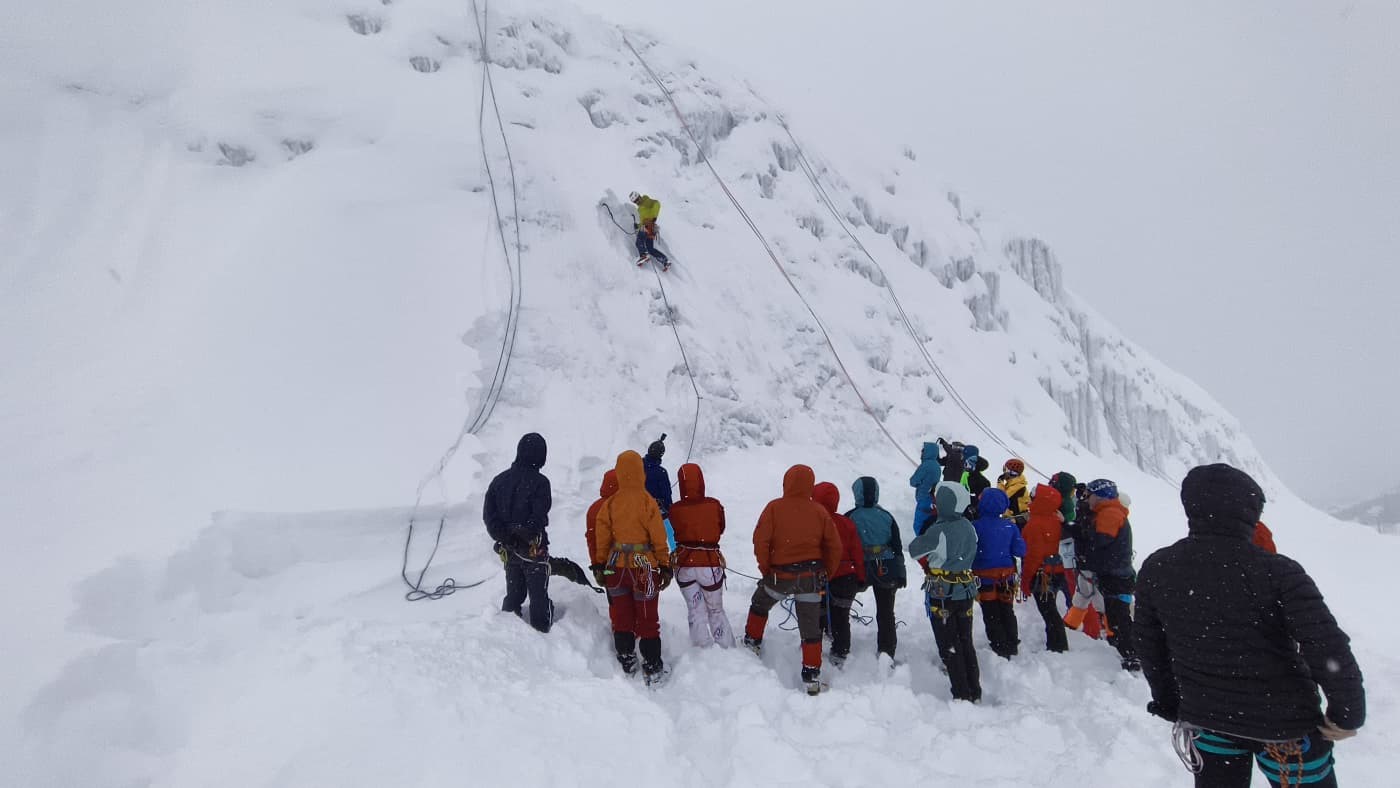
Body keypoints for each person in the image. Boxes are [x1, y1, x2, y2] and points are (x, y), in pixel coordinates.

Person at [1136, 463, 1365, 788]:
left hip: (1208, 719)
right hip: (1285, 726)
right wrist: (1347, 711)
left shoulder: (1158, 568)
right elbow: (1325, 644)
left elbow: (1149, 644)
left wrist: (1169, 701)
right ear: (1251, 511)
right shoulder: (1279, 572)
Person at [743, 464, 843, 695]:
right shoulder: (819, 511)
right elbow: (834, 546)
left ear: (786, 482)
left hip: (780, 576)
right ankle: (811, 675)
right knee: (811, 628)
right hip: (810, 577)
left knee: (760, 604)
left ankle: (752, 641)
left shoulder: (774, 508)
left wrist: (766, 569)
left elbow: (761, 541)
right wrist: (827, 572)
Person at [592, 450, 674, 684]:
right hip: (644, 567)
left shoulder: (610, 504)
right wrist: (664, 566)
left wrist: (600, 566)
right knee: (648, 617)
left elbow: (602, 536)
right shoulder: (648, 502)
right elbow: (659, 537)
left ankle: (626, 657)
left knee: (622, 615)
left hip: (616, 566)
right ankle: (652, 664)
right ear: (640, 471)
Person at [909, 481, 982, 702]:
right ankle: (974, 689)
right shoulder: (968, 526)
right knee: (965, 640)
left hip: (942, 594)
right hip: (965, 590)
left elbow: (914, 550)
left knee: (949, 644)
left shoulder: (939, 530)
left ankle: (961, 693)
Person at [483, 432, 554, 633]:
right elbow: (539, 514)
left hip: (510, 549)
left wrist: (505, 536)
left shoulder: (499, 481)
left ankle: (508, 635)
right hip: (533, 550)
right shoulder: (541, 482)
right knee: (538, 597)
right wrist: (526, 532)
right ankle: (543, 634)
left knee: (514, 595)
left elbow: (490, 515)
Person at [1065, 478, 1138, 670]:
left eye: (1089, 495)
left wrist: (1075, 530)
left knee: (1118, 617)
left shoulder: (1109, 515)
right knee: (1115, 615)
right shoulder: (1107, 512)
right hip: (1115, 573)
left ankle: (1131, 654)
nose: (1086, 499)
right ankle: (1127, 651)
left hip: (1115, 576)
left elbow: (1098, 543)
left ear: (1099, 496)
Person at [667, 462, 735, 648]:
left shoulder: (675, 509)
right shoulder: (714, 505)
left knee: (695, 609)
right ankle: (725, 646)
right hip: (709, 564)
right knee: (715, 609)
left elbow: (673, 531)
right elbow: (721, 528)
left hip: (684, 565)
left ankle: (702, 648)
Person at [845, 476, 906, 661]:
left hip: (859, 568)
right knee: (886, 612)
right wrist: (901, 572)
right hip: (885, 568)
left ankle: (840, 643)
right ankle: (886, 651)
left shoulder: (850, 516)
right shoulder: (886, 516)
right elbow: (897, 546)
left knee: (842, 607)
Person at [814, 482, 867, 667]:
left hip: (819, 576)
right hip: (846, 578)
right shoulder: (846, 523)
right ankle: (840, 651)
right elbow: (857, 552)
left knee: (817, 614)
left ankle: (813, 647)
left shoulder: (813, 522)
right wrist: (861, 577)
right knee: (841, 616)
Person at [970, 488, 1025, 659]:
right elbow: (1020, 550)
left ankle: (999, 645)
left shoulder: (975, 526)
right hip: (1007, 576)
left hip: (983, 577)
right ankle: (1012, 641)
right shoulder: (1010, 526)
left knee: (990, 612)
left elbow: (970, 552)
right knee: (1007, 610)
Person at [1021, 483, 1069, 653]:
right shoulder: (1057, 520)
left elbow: (1032, 557)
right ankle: (1055, 643)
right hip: (1056, 571)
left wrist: (1025, 580)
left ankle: (1058, 646)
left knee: (1049, 612)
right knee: (1050, 609)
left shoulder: (1034, 525)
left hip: (1041, 575)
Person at [642, 434, 676, 550]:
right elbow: (667, 494)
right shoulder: (661, 472)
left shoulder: (637, 466)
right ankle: (676, 555)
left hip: (637, 509)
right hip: (657, 511)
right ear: (661, 455)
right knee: (671, 532)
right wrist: (670, 508)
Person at [629, 191, 670, 269]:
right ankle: (665, 261)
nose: (637, 202)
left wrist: (654, 217)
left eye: (637, 199)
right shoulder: (640, 208)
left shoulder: (646, 201)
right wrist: (638, 226)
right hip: (648, 228)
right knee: (650, 249)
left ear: (639, 196)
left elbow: (657, 204)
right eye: (635, 201)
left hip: (649, 226)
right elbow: (643, 220)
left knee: (639, 241)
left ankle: (643, 255)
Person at [584, 469, 619, 560]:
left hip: (603, 562)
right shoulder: (626, 506)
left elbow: (591, 538)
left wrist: (595, 563)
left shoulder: (594, 508)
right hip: (626, 562)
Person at [908, 442, 942, 534]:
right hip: (933, 498)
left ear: (928, 452)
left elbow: (913, 481)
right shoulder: (937, 466)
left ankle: (921, 544)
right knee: (929, 522)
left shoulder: (925, 465)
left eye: (923, 451)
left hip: (923, 496)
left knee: (919, 525)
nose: (921, 453)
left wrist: (919, 484)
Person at [997, 458, 1030, 525]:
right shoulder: (1014, 483)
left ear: (1011, 472)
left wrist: (1000, 482)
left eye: (1005, 470)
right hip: (1014, 519)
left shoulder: (1017, 487)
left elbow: (1001, 498)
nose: (1004, 472)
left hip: (1016, 521)